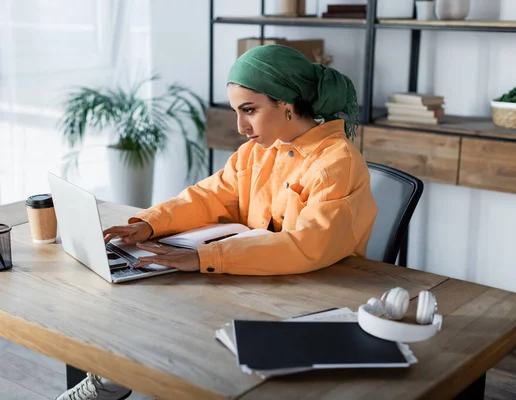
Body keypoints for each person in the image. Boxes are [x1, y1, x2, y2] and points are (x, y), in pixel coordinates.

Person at [55, 44, 378, 400]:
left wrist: (206, 258)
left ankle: (115, 382)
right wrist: (149, 223)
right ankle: (111, 379)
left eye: (249, 111)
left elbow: (306, 245)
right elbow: (209, 196)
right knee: (144, 296)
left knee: (177, 312)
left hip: (314, 297)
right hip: (255, 284)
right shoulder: (257, 151)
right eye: (237, 112)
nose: (241, 127)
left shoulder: (336, 162)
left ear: (286, 105)